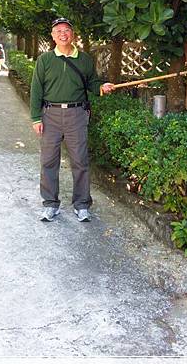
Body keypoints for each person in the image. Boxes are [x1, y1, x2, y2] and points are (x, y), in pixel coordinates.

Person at [30, 17, 114, 223]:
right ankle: (50, 204)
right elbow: (36, 90)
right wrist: (36, 118)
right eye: (58, 31)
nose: (62, 34)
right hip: (50, 115)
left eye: (66, 30)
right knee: (49, 161)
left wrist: (102, 88)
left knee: (80, 160)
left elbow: (92, 83)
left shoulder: (84, 59)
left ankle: (82, 204)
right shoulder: (45, 60)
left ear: (72, 34)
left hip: (77, 114)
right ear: (52, 36)